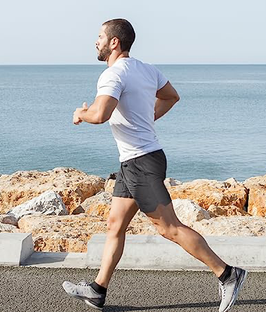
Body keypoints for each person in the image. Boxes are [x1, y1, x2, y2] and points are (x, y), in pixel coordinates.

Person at [63, 18, 247, 312]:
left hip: (141, 163)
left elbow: (100, 114)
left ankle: (228, 274)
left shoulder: (112, 74)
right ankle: (98, 290)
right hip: (134, 161)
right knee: (115, 225)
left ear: (114, 42)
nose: (95, 41)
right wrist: (147, 118)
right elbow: (172, 96)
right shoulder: (146, 69)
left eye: (99, 36)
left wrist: (79, 113)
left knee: (170, 228)